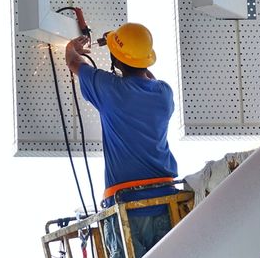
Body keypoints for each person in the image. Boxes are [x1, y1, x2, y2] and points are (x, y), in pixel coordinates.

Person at [65, 23, 178, 258]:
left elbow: (74, 62)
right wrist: (119, 50)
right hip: (166, 204)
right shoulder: (164, 94)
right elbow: (148, 79)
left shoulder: (110, 89)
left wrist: (71, 46)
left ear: (117, 61)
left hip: (126, 207)